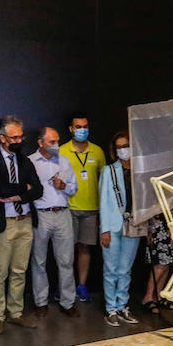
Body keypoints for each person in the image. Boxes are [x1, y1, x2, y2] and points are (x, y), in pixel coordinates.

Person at [0, 115, 44, 335]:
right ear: (2, 138)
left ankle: (15, 312)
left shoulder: (25, 161)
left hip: (24, 221)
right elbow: (0, 190)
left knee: (20, 270)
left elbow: (38, 190)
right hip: (2, 224)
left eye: (21, 136)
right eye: (14, 137)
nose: (19, 140)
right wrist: (21, 190)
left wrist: (16, 196)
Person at [28, 126, 79, 318]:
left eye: (57, 141)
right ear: (40, 143)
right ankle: (40, 302)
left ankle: (67, 302)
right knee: (39, 260)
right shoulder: (30, 162)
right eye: (52, 142)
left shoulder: (64, 161)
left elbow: (73, 189)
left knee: (66, 260)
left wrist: (63, 185)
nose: (56, 145)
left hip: (63, 214)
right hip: (40, 215)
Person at [59, 112, 105, 303]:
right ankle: (65, 288)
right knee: (66, 250)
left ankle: (82, 285)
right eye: (78, 127)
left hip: (91, 208)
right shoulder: (62, 151)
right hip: (68, 207)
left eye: (85, 126)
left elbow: (104, 181)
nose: (82, 130)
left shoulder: (97, 151)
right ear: (71, 129)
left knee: (85, 248)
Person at [98, 130, 141, 327]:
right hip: (113, 225)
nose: (124, 150)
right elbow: (104, 201)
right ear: (115, 150)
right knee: (111, 269)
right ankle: (111, 308)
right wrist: (104, 230)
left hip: (134, 224)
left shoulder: (139, 171)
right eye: (120, 147)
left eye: (126, 146)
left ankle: (123, 305)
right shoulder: (109, 171)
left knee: (126, 269)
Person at [139, 214, 173, 315]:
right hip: (159, 222)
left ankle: (158, 295)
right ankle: (148, 296)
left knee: (168, 261)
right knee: (161, 262)